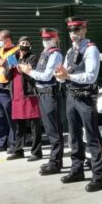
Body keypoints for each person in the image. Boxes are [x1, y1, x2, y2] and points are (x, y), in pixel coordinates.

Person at [55, 17, 102, 192]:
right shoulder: (70, 51)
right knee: (74, 135)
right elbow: (66, 72)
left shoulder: (91, 50)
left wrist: (68, 77)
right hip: (71, 96)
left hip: (85, 98)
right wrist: (60, 75)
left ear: (84, 30)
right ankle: (77, 170)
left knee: (92, 137)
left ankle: (98, 177)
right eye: (71, 31)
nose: (73, 34)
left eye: (77, 30)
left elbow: (90, 76)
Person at [19, 28, 64, 175]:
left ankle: (55, 163)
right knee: (50, 129)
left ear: (55, 39)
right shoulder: (45, 53)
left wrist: (29, 71)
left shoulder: (55, 54)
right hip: (42, 94)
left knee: (54, 130)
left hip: (50, 93)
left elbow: (45, 76)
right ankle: (54, 159)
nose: (46, 41)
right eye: (44, 39)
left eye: (49, 38)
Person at [5, 36, 42, 161]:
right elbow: (7, 77)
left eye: (27, 43)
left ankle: (36, 152)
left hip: (29, 94)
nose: (24, 44)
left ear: (29, 46)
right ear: (18, 44)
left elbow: (32, 75)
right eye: (22, 43)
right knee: (19, 125)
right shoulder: (13, 57)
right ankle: (18, 150)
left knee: (34, 125)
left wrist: (20, 67)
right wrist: (10, 68)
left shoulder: (32, 58)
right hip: (16, 94)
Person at [0, 30, 18, 153]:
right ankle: (2, 143)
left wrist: (3, 62)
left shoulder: (16, 51)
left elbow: (15, 67)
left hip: (7, 88)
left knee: (11, 118)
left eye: (1, 39)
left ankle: (13, 144)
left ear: (8, 40)